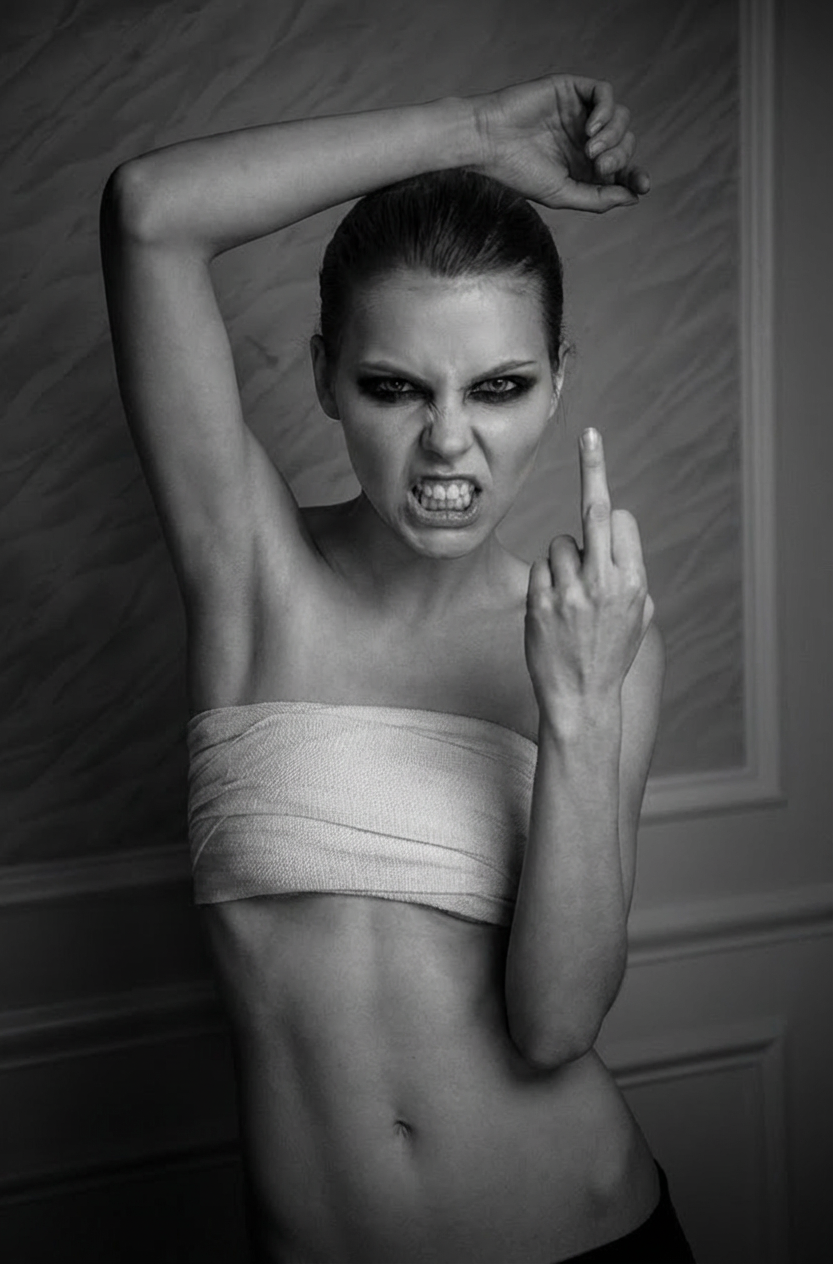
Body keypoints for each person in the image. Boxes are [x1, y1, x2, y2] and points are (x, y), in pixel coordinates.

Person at [100, 73, 695, 1263]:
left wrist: (578, 707)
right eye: (394, 387)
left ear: (557, 383)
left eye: (498, 387)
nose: (447, 442)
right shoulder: (250, 573)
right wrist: (474, 135)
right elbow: (148, 212)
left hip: (590, 1242)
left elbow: (556, 1025)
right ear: (326, 376)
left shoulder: (598, 636)